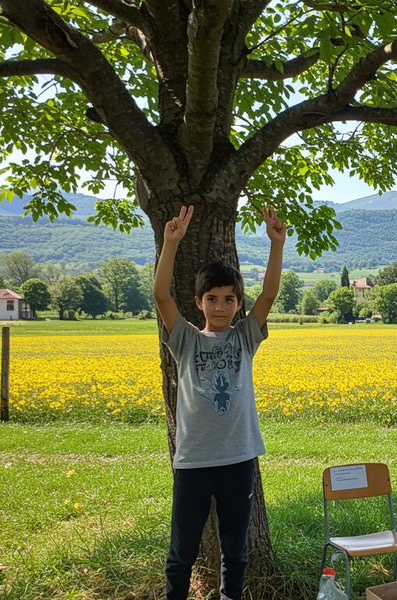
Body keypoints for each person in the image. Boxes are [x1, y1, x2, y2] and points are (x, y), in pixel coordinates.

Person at [152, 204, 287, 600]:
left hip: (238, 460)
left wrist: (276, 245)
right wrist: (171, 243)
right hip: (193, 462)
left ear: (239, 303)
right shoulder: (185, 339)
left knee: (235, 551)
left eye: (229, 299)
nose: (221, 307)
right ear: (199, 302)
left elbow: (270, 293)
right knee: (182, 553)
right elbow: (161, 294)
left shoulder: (245, 336)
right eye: (212, 299)